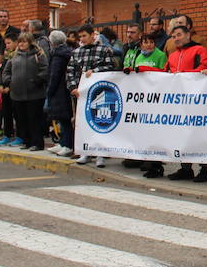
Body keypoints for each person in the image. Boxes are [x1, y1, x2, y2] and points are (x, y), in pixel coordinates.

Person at [67, 23, 123, 169]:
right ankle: (85, 151)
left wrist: (95, 70)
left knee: (99, 121)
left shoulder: (104, 50)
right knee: (82, 122)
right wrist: (72, 87)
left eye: (85, 36)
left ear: (93, 35)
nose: (82, 39)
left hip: (98, 92)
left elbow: (111, 67)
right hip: (81, 94)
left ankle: (100, 154)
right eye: (80, 37)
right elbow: (70, 71)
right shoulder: (76, 52)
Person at [123, 28, 170, 177]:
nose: (148, 45)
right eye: (145, 42)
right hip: (142, 98)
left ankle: (154, 162)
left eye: (151, 42)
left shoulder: (160, 55)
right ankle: (143, 157)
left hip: (156, 97)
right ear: (141, 44)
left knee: (154, 130)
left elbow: (164, 72)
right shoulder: (139, 57)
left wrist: (145, 69)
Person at [2, 33, 48, 151]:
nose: (21, 44)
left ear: (30, 42)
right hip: (17, 94)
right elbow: (6, 71)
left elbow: (45, 70)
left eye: (24, 41)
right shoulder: (15, 56)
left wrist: (37, 80)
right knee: (22, 120)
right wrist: (9, 81)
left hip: (35, 94)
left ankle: (37, 143)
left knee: (34, 119)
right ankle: (27, 141)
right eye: (20, 41)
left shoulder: (39, 55)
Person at [44, 30, 74, 157]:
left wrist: (49, 92)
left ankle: (67, 145)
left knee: (64, 119)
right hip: (64, 90)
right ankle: (63, 143)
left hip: (60, 92)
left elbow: (54, 76)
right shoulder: (64, 53)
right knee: (62, 120)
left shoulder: (57, 56)